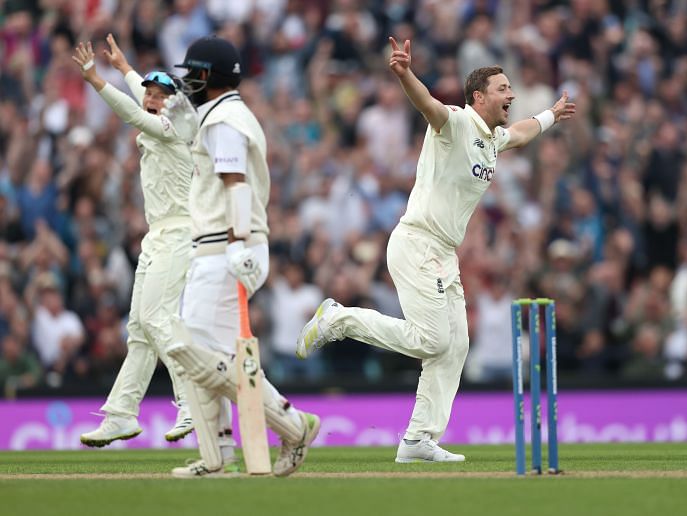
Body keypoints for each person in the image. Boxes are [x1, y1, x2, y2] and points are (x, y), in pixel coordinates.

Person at [296, 37, 575, 463]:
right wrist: (405, 73)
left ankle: (417, 440)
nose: (512, 95)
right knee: (432, 339)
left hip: (444, 252)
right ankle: (341, 318)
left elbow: (520, 134)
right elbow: (428, 104)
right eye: (503, 89)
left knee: (456, 346)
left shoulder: (491, 138)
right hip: (416, 242)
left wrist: (551, 115)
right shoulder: (458, 123)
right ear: (478, 96)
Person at [162, 35, 319, 478]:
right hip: (223, 245)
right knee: (214, 356)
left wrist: (236, 242)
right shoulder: (217, 116)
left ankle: (293, 425)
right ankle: (220, 455)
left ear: (209, 76)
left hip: (226, 246)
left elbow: (235, 182)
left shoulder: (226, 118)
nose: (188, 81)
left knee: (189, 348)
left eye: (193, 73)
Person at [73, 35, 198, 447]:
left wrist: (96, 81)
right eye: (152, 92)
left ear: (175, 102)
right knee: (140, 330)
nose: (154, 98)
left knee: (158, 319)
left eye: (163, 94)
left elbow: (136, 114)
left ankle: (192, 402)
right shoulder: (157, 111)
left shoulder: (175, 128)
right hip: (157, 235)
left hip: (181, 233)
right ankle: (122, 414)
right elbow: (140, 97)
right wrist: (126, 68)